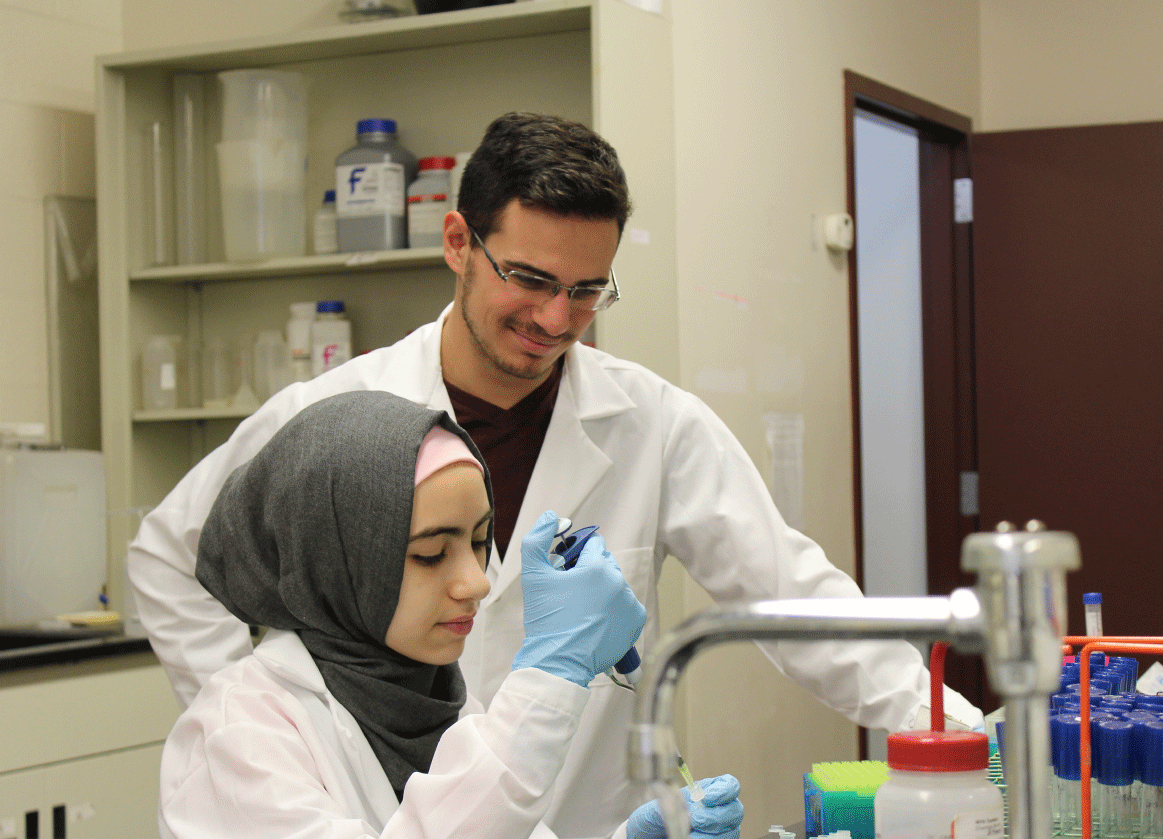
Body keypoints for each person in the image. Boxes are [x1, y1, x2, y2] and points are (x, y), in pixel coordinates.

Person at [130, 112, 982, 839]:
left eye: (585, 290)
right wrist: (286, 727)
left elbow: (791, 593)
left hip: (576, 816)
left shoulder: (651, 421)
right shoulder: (342, 413)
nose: (553, 318)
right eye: (530, 279)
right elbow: (167, 555)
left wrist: (952, 732)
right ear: (459, 242)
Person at [158, 390, 743, 839]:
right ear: (335, 562)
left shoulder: (439, 698)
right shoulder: (239, 738)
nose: (477, 582)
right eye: (431, 553)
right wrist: (548, 678)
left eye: (481, 541)